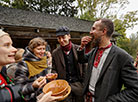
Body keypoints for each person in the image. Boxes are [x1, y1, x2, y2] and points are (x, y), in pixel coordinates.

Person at [77, 18, 138, 102]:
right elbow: (82, 60)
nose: (90, 32)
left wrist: (111, 100)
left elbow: (135, 90)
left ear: (103, 31)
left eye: (94, 29)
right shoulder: (95, 51)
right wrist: (82, 47)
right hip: (87, 98)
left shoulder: (122, 57)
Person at [0, 29, 61, 102]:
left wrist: (48, 79)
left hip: (44, 94)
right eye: (39, 49)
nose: (42, 51)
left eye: (43, 49)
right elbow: (19, 89)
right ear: (32, 50)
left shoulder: (43, 61)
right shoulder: (24, 64)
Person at [52, 26, 86, 102]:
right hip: (63, 85)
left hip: (78, 84)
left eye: (63, 37)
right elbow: (54, 69)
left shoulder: (78, 49)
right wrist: (53, 75)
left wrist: (83, 83)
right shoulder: (55, 53)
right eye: (58, 38)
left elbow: (84, 67)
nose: (61, 40)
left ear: (69, 36)